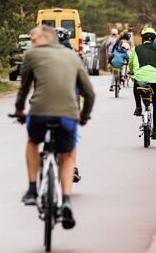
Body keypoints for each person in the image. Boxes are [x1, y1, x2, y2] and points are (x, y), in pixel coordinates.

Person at [14, 25, 95, 229]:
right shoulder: (73, 57)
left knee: (33, 142)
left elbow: (24, 88)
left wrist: (19, 110)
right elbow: (90, 94)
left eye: (34, 39)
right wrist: (84, 117)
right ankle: (66, 199)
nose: (32, 43)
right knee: (67, 155)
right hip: (68, 114)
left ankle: (32, 190)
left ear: (45, 38)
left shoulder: (32, 55)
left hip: (39, 113)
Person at [129, 27, 156, 139]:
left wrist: (131, 72)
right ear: (153, 38)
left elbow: (131, 63)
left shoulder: (135, 49)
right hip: (155, 80)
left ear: (142, 38)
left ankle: (138, 107)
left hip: (140, 79)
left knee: (136, 82)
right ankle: (155, 131)